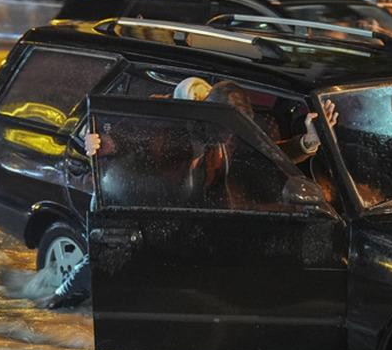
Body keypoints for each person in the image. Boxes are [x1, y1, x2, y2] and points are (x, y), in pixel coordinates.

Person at [45, 79, 336, 309]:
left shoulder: (232, 135)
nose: (229, 135)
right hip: (144, 212)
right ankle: (58, 302)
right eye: (226, 126)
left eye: (238, 127)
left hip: (195, 219)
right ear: (208, 115)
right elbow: (130, 139)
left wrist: (309, 141)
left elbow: (267, 155)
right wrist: (101, 142)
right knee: (103, 263)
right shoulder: (171, 128)